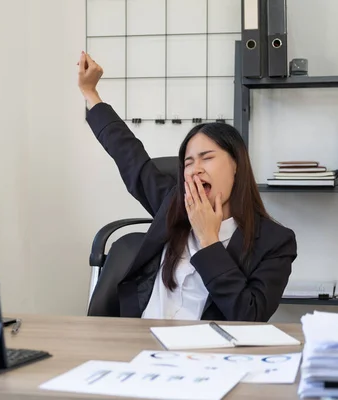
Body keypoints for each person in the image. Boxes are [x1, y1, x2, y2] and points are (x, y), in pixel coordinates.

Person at [78, 51, 297, 322]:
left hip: (208, 355)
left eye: (207, 158)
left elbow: (249, 316)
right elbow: (128, 155)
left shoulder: (275, 241)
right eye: (189, 163)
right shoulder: (173, 205)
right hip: (138, 341)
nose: (196, 169)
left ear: (237, 164)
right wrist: (90, 93)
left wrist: (209, 240)